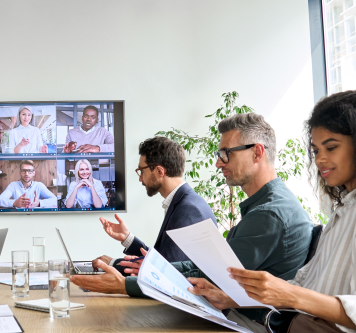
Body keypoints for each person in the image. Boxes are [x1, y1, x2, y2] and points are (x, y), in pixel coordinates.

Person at [72, 113, 312, 326]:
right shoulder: (264, 207)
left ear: (257, 152)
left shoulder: (269, 214)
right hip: (235, 314)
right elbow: (206, 267)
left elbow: (213, 278)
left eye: (225, 154)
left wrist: (127, 283)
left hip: (246, 321)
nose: (218, 163)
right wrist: (143, 269)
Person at [190, 90, 356, 332]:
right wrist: (231, 298)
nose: (320, 159)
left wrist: (290, 295)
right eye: (316, 150)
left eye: (331, 148)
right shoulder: (348, 206)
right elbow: (306, 285)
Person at [90, 136, 217, 275]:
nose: (140, 178)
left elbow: (165, 271)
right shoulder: (184, 201)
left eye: (142, 171)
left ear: (159, 171)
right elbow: (163, 259)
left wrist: (113, 264)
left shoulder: (188, 209)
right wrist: (127, 238)